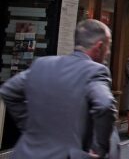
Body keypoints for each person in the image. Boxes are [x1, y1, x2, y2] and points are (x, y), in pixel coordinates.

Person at [0, 19, 118, 158]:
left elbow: (8, 90)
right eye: (108, 46)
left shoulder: (42, 64)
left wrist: (28, 125)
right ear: (99, 46)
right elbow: (105, 105)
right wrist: (99, 148)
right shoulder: (95, 71)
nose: (109, 52)